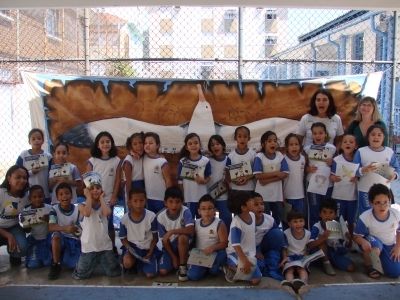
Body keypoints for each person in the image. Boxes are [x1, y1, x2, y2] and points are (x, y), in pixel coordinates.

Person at [72, 174, 121, 279]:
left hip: (104, 246)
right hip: (89, 247)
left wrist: (102, 198)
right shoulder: (82, 205)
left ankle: (99, 263)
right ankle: (92, 264)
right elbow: (87, 213)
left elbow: (107, 212)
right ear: (86, 191)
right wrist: (88, 197)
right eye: (92, 188)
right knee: (81, 275)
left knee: (114, 273)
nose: (95, 190)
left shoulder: (105, 204)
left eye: (98, 188)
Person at [353, 184, 400, 279]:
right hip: (374, 243)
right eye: (378, 202)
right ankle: (369, 266)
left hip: (389, 245)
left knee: (394, 273)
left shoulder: (396, 214)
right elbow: (356, 236)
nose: (382, 206)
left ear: (390, 201)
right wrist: (363, 241)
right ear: (371, 203)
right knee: (376, 246)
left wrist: (398, 246)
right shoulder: (365, 217)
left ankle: (381, 259)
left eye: (385, 202)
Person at [86, 131, 121, 254]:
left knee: (109, 224)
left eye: (108, 142)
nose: (105, 144)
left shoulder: (116, 160)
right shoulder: (92, 160)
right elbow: (88, 181)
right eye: (102, 142)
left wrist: (114, 196)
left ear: (111, 143)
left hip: (108, 199)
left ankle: (111, 248)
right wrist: (93, 197)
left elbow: (117, 180)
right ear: (97, 145)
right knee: (96, 224)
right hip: (95, 199)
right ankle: (97, 248)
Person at [353, 124, 399, 214]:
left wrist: (395, 175)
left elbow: (397, 168)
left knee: (383, 213)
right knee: (366, 214)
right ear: (368, 137)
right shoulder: (361, 151)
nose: (376, 137)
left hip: (384, 191)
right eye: (373, 134)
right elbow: (353, 171)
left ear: (383, 137)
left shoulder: (389, 152)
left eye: (379, 135)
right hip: (365, 190)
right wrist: (364, 170)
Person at [224, 190, 261, 285]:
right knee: (246, 270)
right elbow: (236, 245)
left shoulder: (252, 215)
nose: (253, 200)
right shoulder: (236, 223)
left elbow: (252, 236)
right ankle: (230, 267)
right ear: (244, 207)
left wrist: (255, 252)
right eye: (250, 200)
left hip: (249, 254)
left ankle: (240, 272)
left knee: (256, 280)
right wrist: (245, 262)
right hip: (235, 253)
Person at [119, 187, 158, 278]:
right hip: (133, 248)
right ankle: (130, 262)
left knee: (150, 275)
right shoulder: (124, 219)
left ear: (145, 201)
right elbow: (123, 238)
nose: (139, 204)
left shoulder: (151, 216)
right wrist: (129, 248)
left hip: (148, 249)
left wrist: (150, 252)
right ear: (129, 202)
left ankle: (144, 263)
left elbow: (155, 238)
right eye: (135, 201)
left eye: (141, 200)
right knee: (127, 263)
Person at [157, 186, 194, 281]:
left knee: (182, 237)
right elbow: (164, 240)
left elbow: (190, 229)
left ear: (182, 202)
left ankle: (182, 267)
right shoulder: (160, 217)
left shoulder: (185, 211)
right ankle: (176, 259)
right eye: (171, 202)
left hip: (184, 244)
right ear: (165, 203)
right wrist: (173, 257)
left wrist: (172, 231)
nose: (174, 205)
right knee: (163, 272)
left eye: (177, 202)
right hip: (170, 247)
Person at [308, 200, 354, 276]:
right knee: (321, 241)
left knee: (351, 268)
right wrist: (323, 237)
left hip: (334, 253)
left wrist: (349, 239)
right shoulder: (317, 226)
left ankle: (331, 261)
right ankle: (326, 263)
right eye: (324, 212)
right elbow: (309, 245)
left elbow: (346, 247)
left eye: (331, 212)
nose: (327, 215)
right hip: (319, 254)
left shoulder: (338, 226)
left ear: (335, 215)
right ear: (320, 214)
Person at [187, 194, 228, 281]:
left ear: (215, 210)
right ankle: (204, 268)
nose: (207, 212)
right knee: (193, 276)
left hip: (215, 253)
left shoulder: (219, 223)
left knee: (215, 269)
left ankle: (213, 268)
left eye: (210, 208)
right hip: (200, 255)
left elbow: (224, 243)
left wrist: (213, 248)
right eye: (203, 209)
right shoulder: (196, 223)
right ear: (199, 211)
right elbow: (191, 241)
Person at [304, 122, 336, 227]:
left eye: (320, 133)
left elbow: (338, 166)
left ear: (325, 134)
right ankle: (314, 236)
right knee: (314, 210)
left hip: (328, 185)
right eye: (315, 133)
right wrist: (308, 169)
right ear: (311, 135)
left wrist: (332, 163)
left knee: (328, 210)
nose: (318, 136)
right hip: (313, 184)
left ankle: (330, 235)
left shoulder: (332, 148)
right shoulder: (307, 149)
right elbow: (301, 166)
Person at [253, 131, 288, 225]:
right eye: (269, 141)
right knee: (264, 220)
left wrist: (266, 181)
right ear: (263, 144)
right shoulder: (259, 156)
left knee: (278, 218)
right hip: (263, 196)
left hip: (277, 195)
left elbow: (285, 173)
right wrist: (276, 173)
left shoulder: (280, 155)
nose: (273, 143)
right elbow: (258, 175)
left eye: (275, 141)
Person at [48, 182, 82, 280]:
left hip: (73, 239)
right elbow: (51, 227)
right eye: (61, 194)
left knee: (72, 265)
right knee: (56, 237)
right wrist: (65, 228)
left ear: (71, 195)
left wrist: (75, 230)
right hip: (61, 237)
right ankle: (56, 264)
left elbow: (80, 229)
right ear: (57, 197)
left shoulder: (77, 209)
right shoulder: (54, 209)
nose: (64, 196)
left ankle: (63, 255)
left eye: (67, 193)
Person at [250, 192, 285, 281]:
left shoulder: (269, 219)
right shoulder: (244, 221)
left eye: (262, 204)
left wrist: (284, 255)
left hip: (263, 246)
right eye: (256, 204)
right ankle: (265, 269)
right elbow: (239, 242)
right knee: (259, 265)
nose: (260, 206)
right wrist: (254, 252)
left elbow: (278, 239)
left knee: (278, 234)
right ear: (248, 207)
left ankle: (273, 269)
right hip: (249, 249)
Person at [0, 165, 29, 266]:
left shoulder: (26, 196)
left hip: (13, 227)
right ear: (9, 178)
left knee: (23, 248)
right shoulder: (1, 193)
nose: (22, 180)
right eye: (18, 177)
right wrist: (8, 235)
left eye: (24, 178)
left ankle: (13, 254)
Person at [330, 134, 358, 237]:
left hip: (352, 197)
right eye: (345, 142)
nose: (348, 143)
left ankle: (351, 240)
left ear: (356, 146)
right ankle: (336, 241)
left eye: (351, 142)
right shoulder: (337, 160)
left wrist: (357, 178)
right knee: (337, 220)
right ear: (341, 145)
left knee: (351, 221)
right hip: (338, 196)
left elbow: (360, 175)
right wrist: (334, 178)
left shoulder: (357, 160)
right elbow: (331, 176)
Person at [178, 133, 211, 218]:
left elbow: (208, 177)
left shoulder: (205, 160)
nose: (193, 145)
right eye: (190, 143)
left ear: (200, 145)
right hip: (188, 198)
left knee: (202, 221)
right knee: (190, 222)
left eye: (196, 143)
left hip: (202, 198)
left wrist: (203, 181)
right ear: (186, 147)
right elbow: (180, 181)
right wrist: (182, 196)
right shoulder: (183, 161)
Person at [16, 128, 52, 203]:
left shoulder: (48, 156)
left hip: (45, 193)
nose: (36, 141)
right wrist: (31, 172)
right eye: (33, 139)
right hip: (28, 193)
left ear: (42, 141)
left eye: (39, 138)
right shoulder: (24, 155)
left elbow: (51, 174)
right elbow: (16, 172)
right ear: (29, 141)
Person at [280, 211, 311, 290]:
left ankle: (303, 283)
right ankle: (290, 283)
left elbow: (308, 247)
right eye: (295, 222)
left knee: (302, 270)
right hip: (290, 257)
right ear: (289, 224)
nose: (299, 224)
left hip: (302, 257)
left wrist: (306, 256)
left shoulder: (308, 234)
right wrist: (285, 258)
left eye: (301, 221)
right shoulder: (286, 233)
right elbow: (284, 248)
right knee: (289, 270)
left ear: (304, 222)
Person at [24, 185, 54, 269]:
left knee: (47, 263)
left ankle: (48, 254)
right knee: (33, 265)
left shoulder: (49, 208)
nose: (37, 199)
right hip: (34, 240)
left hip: (47, 239)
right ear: (30, 198)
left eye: (40, 196)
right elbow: (27, 230)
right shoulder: (26, 211)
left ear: (44, 196)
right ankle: (35, 255)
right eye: (34, 197)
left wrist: (49, 220)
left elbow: (54, 224)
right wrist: (27, 224)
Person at [143, 132, 172, 213]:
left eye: (151, 143)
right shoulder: (142, 158)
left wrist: (168, 198)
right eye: (145, 143)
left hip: (161, 199)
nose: (147, 145)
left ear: (157, 145)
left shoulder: (162, 161)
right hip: (148, 198)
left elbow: (168, 181)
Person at [207, 134, 231, 228]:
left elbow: (231, 177)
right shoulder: (207, 160)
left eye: (218, 144)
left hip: (223, 195)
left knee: (226, 218)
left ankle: (227, 240)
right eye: (212, 145)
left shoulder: (228, 159)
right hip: (210, 195)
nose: (215, 146)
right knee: (208, 219)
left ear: (223, 146)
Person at [226, 126, 256, 192]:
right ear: (235, 138)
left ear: (249, 138)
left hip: (250, 189)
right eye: (239, 136)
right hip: (235, 189)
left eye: (245, 136)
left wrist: (247, 178)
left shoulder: (253, 154)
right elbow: (227, 174)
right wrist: (234, 181)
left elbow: (256, 172)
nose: (242, 139)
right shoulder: (230, 156)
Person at [283, 133, 306, 215]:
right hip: (287, 196)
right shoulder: (283, 159)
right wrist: (282, 196)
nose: (294, 147)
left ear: (300, 146)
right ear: (286, 147)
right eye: (291, 144)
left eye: (296, 144)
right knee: (287, 221)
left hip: (300, 196)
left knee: (299, 219)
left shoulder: (303, 158)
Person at [123, 132, 145, 204]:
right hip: (133, 188)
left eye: (140, 142)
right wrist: (129, 199)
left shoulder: (143, 156)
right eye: (135, 144)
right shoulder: (129, 160)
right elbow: (128, 182)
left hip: (143, 187)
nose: (139, 146)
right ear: (131, 146)